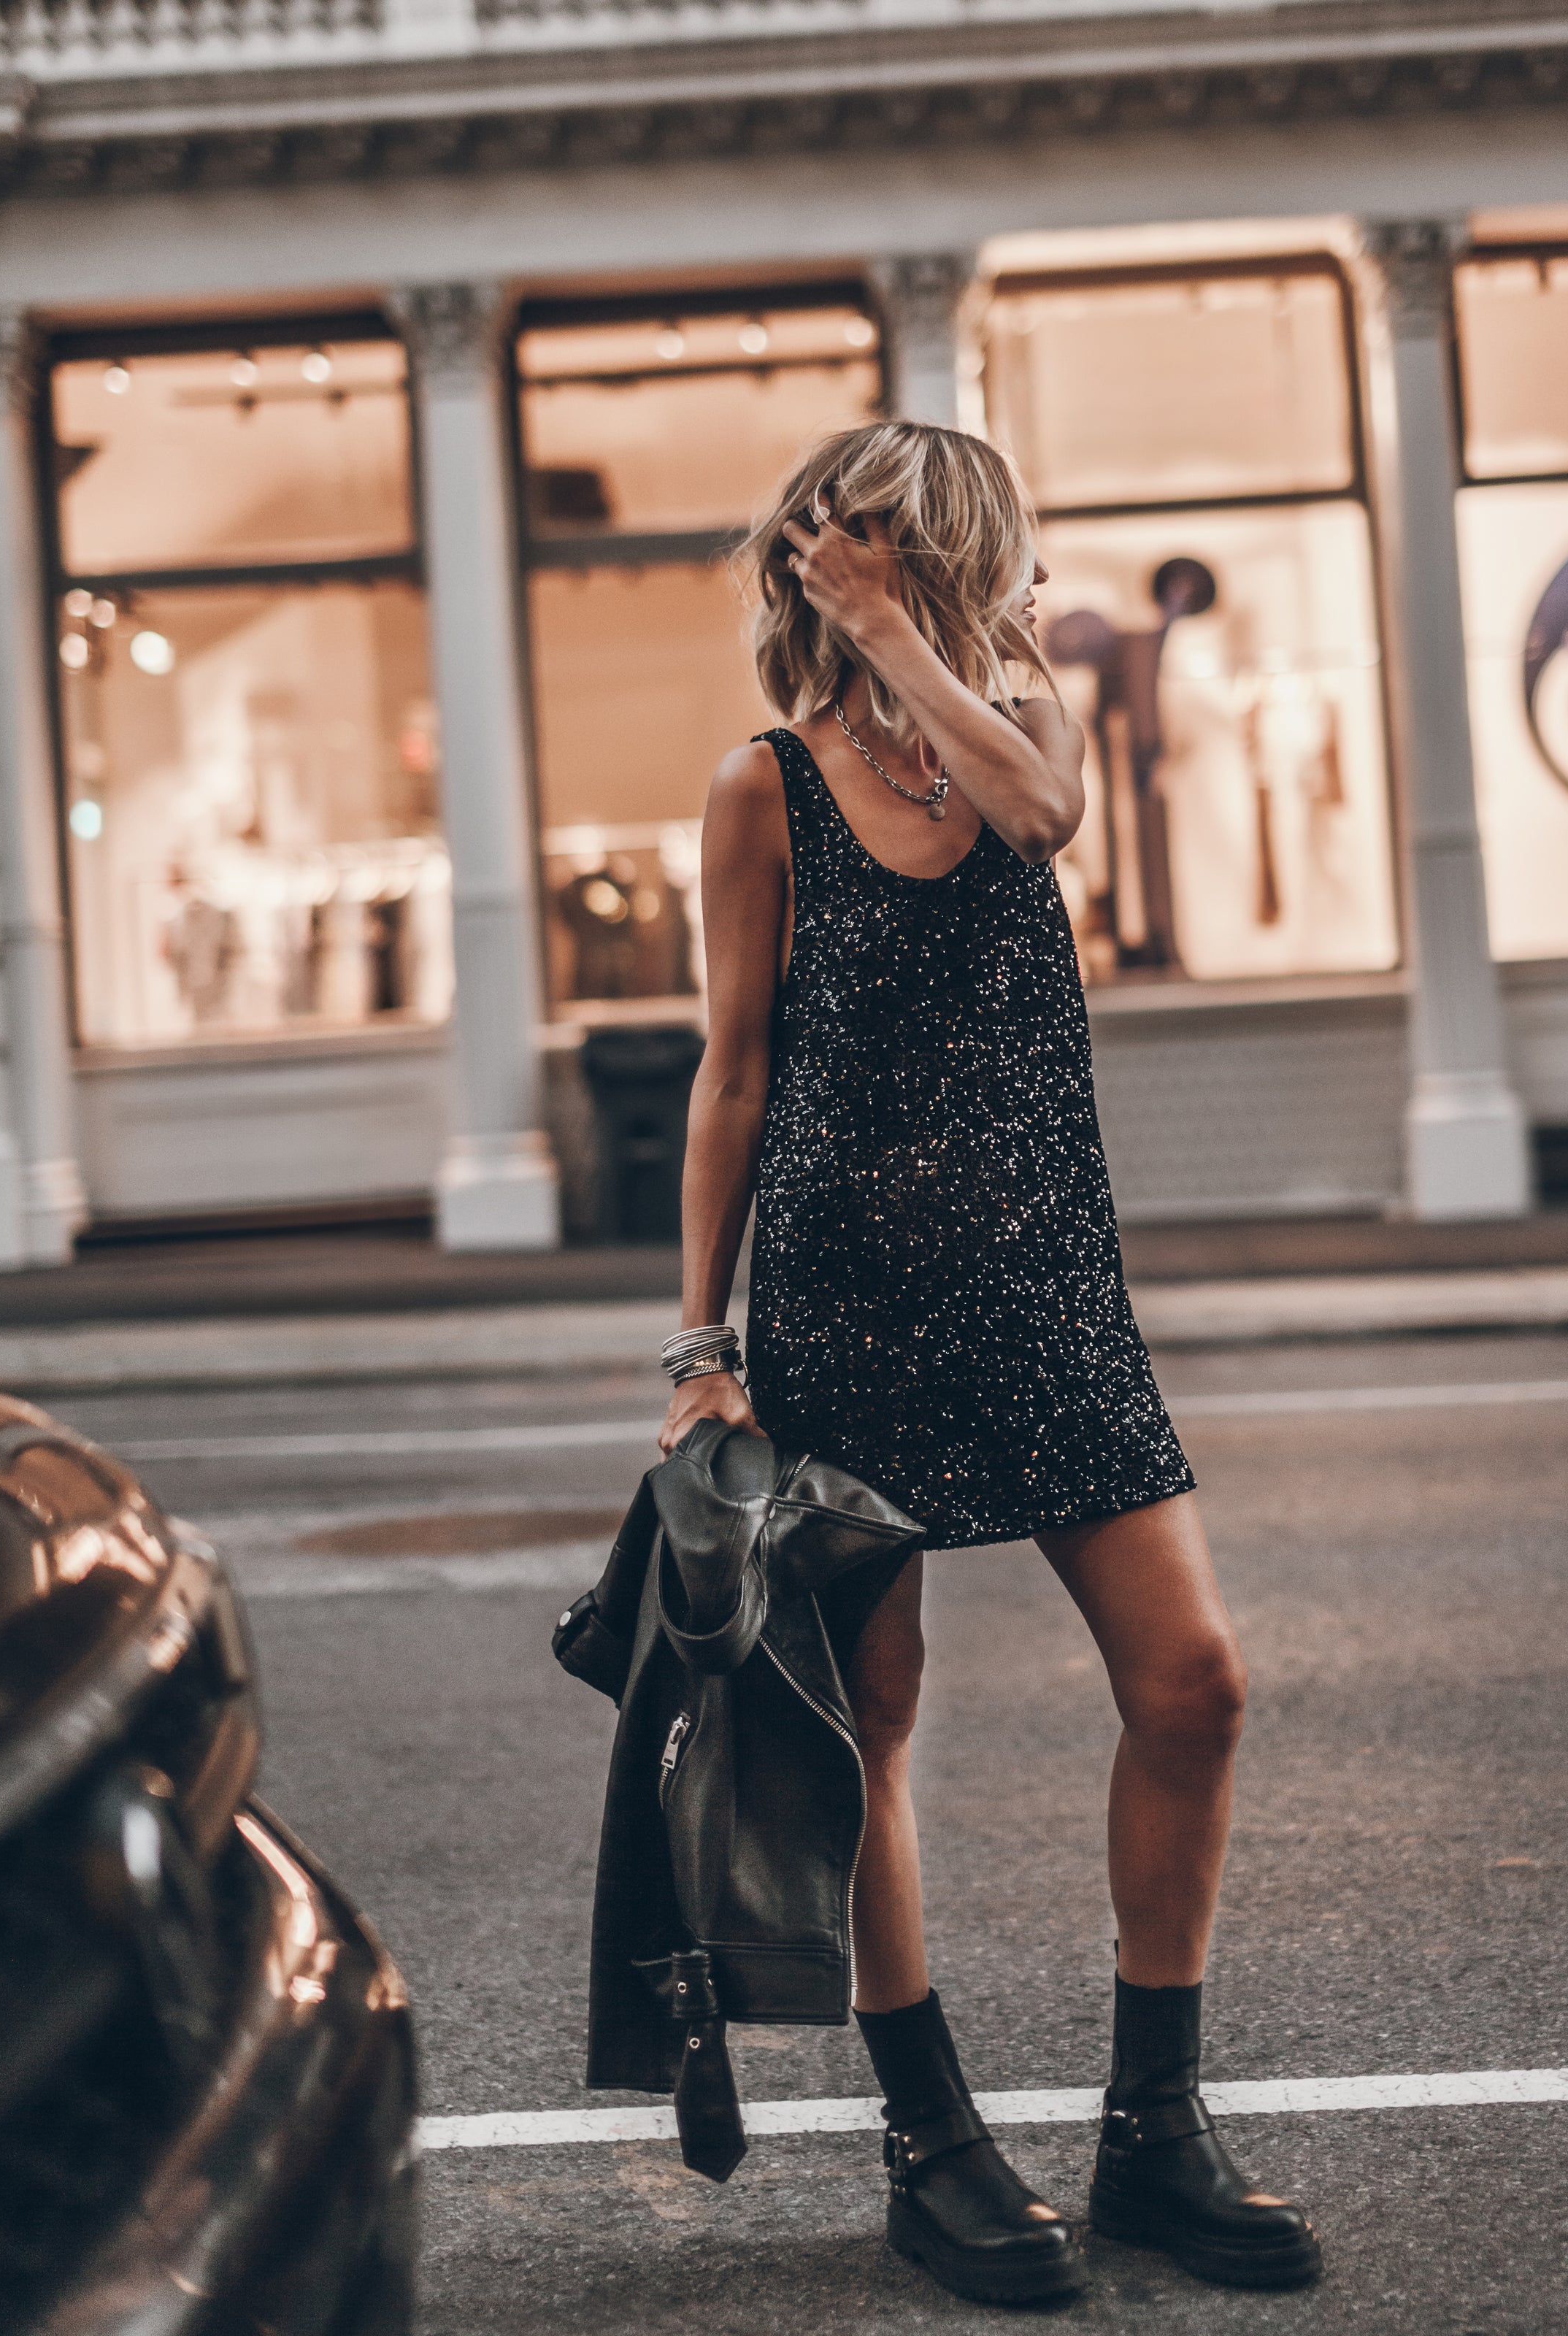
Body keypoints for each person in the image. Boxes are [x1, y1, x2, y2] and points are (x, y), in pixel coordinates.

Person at [657, 418, 1321, 2306]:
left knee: (1192, 1683)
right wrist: (703, 1347)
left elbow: (1036, 822)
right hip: (849, 1311)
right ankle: (931, 2139)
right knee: (868, 1726)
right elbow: (732, 1077)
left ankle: (1154, 2135)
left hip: (1050, 1300)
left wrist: (911, 647)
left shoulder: (1017, 724)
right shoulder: (760, 792)